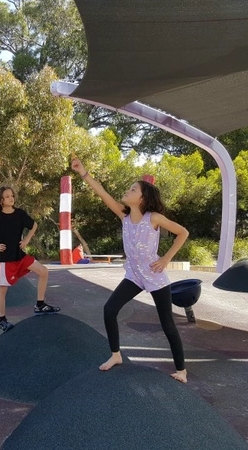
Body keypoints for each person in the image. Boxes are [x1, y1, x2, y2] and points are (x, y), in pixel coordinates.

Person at [71, 158, 189, 383]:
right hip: (134, 275)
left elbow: (183, 232)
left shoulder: (154, 218)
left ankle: (181, 370)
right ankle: (116, 355)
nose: (127, 191)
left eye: (133, 189)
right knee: (109, 309)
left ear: (143, 198)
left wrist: (165, 259)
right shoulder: (124, 216)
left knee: (167, 323)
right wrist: (83, 173)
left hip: (155, 276)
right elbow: (103, 193)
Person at [0, 186, 60, 332]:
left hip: (20, 255)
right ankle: (2, 320)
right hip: (5, 259)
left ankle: (40, 305)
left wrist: (27, 240)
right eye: (7, 196)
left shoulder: (20, 214)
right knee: (3, 289)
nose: (11, 198)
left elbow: (34, 225)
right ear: (1, 200)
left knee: (44, 271)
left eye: (12, 195)